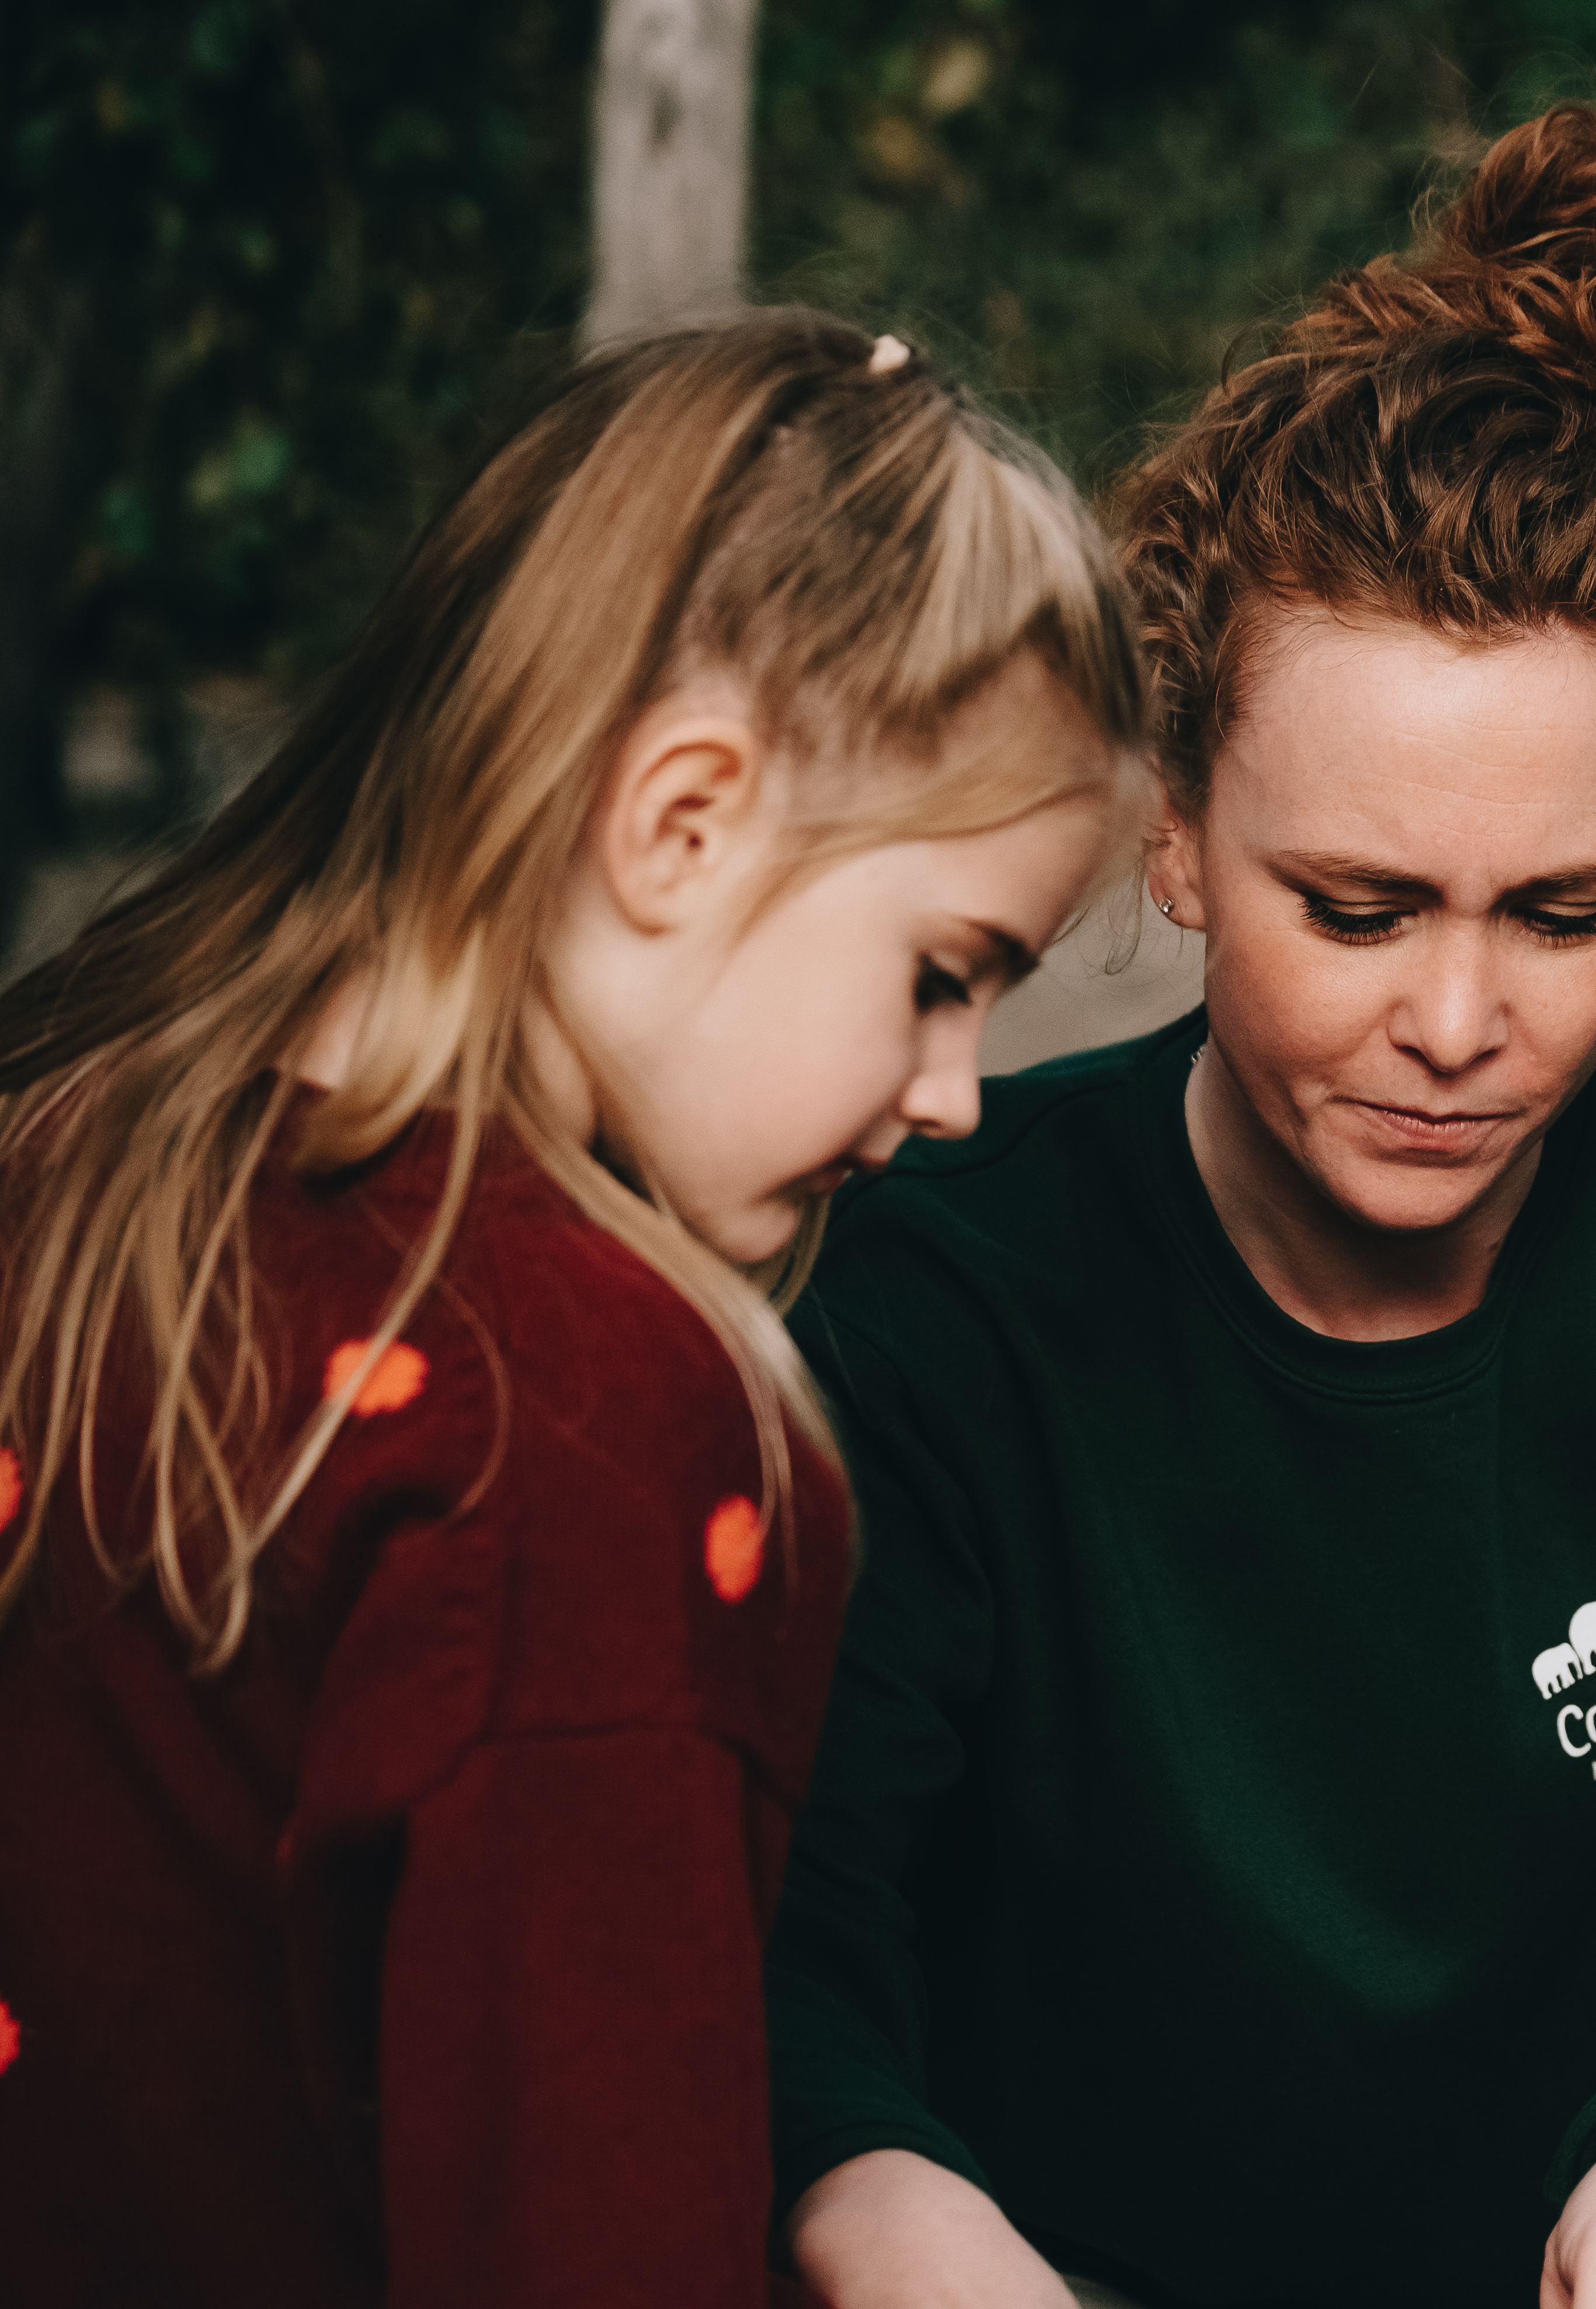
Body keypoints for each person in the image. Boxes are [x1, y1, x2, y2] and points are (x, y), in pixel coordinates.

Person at [764, 106, 1596, 2309]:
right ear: (1174, 837)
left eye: (1567, 912)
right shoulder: (932, 1275)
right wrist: (891, 2212)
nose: (1461, 1019)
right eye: (1357, 908)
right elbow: (796, 1936)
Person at [0, 311, 1147, 2308]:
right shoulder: (588, 1414)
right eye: (946, 970)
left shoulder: (76, 1153)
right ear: (681, 820)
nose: (955, 1093)